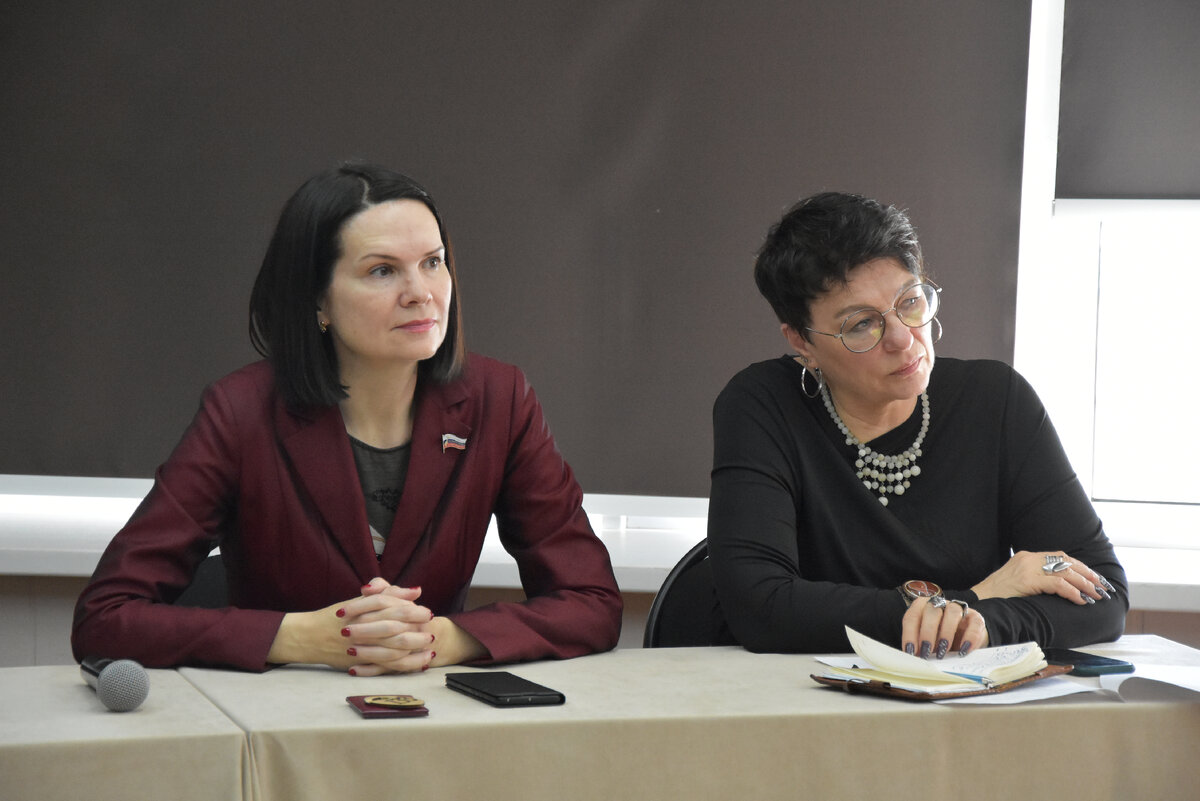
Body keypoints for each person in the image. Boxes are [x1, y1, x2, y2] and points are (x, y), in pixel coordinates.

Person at [72, 162, 622, 675]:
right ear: (318, 301)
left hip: (435, 714)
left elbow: (592, 602)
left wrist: (445, 639)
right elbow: (106, 617)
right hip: (281, 719)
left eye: (433, 262)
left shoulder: (500, 400)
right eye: (383, 271)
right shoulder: (239, 413)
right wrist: (300, 638)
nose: (421, 294)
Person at [706, 191, 1126, 659]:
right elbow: (761, 609)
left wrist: (981, 624)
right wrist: (973, 600)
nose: (904, 339)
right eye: (861, 325)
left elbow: (1104, 596)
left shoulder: (996, 400)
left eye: (910, 302)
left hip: (963, 692)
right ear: (802, 342)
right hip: (801, 692)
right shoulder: (762, 404)